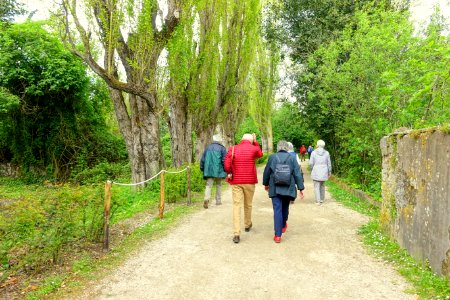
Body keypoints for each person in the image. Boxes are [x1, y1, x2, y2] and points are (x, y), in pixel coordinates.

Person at [224, 133, 263, 244]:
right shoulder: (254, 148)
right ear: (250, 140)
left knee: (237, 205)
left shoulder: (233, 148)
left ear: (242, 139)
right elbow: (260, 154)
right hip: (250, 181)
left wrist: (230, 172)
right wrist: (255, 141)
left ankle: (236, 233)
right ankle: (247, 224)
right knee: (248, 204)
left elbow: (226, 164)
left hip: (236, 181)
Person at [263, 140, 304, 243]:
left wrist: (266, 184)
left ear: (278, 148)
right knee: (285, 207)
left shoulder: (272, 157)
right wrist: (300, 188)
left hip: (275, 187)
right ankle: (283, 223)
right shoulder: (292, 158)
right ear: (287, 148)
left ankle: (277, 236)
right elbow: (297, 173)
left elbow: (267, 171)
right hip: (288, 187)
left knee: (277, 210)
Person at [200, 135, 227, 208]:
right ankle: (218, 201)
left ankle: (206, 199)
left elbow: (203, 159)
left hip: (209, 170)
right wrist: (226, 170)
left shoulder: (208, 148)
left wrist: (202, 168)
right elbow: (224, 160)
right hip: (219, 170)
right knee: (218, 185)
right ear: (219, 140)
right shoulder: (222, 148)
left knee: (209, 185)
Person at [309, 140, 332, 205]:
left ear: (317, 145)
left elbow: (311, 163)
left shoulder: (313, 153)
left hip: (316, 170)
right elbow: (329, 163)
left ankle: (318, 201)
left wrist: (312, 169)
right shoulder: (327, 153)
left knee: (316, 186)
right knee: (322, 185)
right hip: (324, 170)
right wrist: (329, 171)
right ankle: (322, 199)